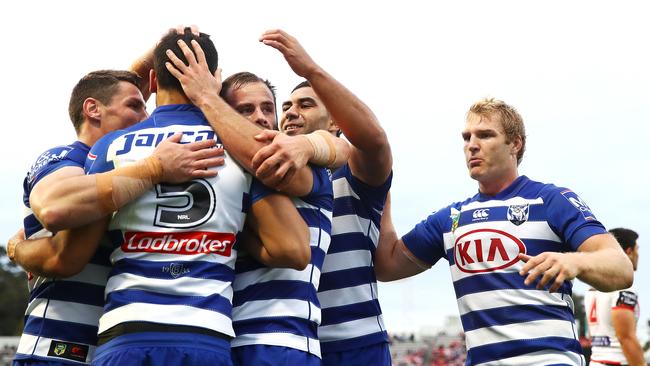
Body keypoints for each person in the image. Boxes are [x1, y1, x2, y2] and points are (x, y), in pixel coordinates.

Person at [84, 30, 309, 366]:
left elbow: (81, 246)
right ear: (215, 79)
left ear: (152, 80)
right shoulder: (241, 149)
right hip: (204, 334)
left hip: (126, 333)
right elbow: (292, 249)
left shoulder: (111, 146)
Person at [374, 97, 633, 365]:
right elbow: (388, 266)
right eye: (466, 138)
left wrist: (574, 261)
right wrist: (379, 186)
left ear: (515, 144)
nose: (472, 145)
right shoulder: (451, 219)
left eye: (485, 135)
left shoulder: (552, 200)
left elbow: (621, 269)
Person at [7, 69, 212, 366]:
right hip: (58, 347)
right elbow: (56, 217)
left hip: (118, 348)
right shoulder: (66, 157)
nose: (147, 116)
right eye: (135, 105)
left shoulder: (134, 174)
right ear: (92, 109)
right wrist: (154, 167)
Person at [251, 30, 394, 365]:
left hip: (354, 343)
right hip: (293, 338)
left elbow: (375, 141)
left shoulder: (355, 175)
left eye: (305, 104)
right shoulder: (269, 176)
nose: (290, 112)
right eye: (284, 106)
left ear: (334, 121)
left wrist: (310, 71)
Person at [202, 70, 338, 365]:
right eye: (246, 110)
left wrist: (205, 97)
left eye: (267, 108)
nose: (262, 117)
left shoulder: (307, 170)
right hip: (220, 340)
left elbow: (291, 252)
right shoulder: (222, 176)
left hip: (280, 342)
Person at [585, 228, 646, 366]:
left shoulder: (593, 286)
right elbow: (625, 337)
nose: (638, 255)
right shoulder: (623, 287)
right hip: (616, 361)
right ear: (629, 251)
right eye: (637, 249)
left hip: (595, 361)